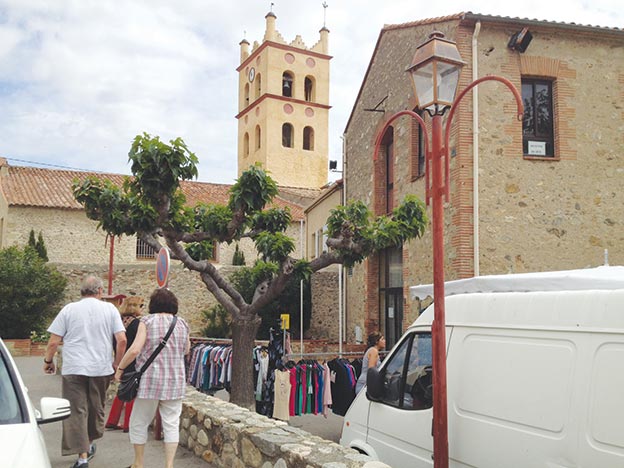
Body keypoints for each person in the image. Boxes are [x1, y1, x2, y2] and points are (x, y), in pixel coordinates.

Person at [43, 275, 127, 468]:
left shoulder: (69, 309)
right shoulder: (110, 309)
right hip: (100, 367)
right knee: (95, 408)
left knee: (76, 410)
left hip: (74, 368)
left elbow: (54, 342)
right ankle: (87, 446)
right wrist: (116, 364)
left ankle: (82, 455)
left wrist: (48, 361)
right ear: (100, 291)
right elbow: (121, 340)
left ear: (81, 292)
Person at [115, 288, 190, 468]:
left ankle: (138, 463)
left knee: (139, 421)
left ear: (153, 304)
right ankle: (169, 465)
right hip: (175, 382)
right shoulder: (182, 323)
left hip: (150, 381)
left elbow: (134, 349)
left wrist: (120, 368)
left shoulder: (146, 321)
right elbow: (186, 350)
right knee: (171, 424)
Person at [105, 295, 145, 432]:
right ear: (135, 307)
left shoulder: (119, 322)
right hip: (133, 360)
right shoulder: (138, 324)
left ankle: (112, 420)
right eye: (141, 306)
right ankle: (128, 423)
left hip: (120, 358)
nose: (142, 309)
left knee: (122, 390)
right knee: (132, 392)